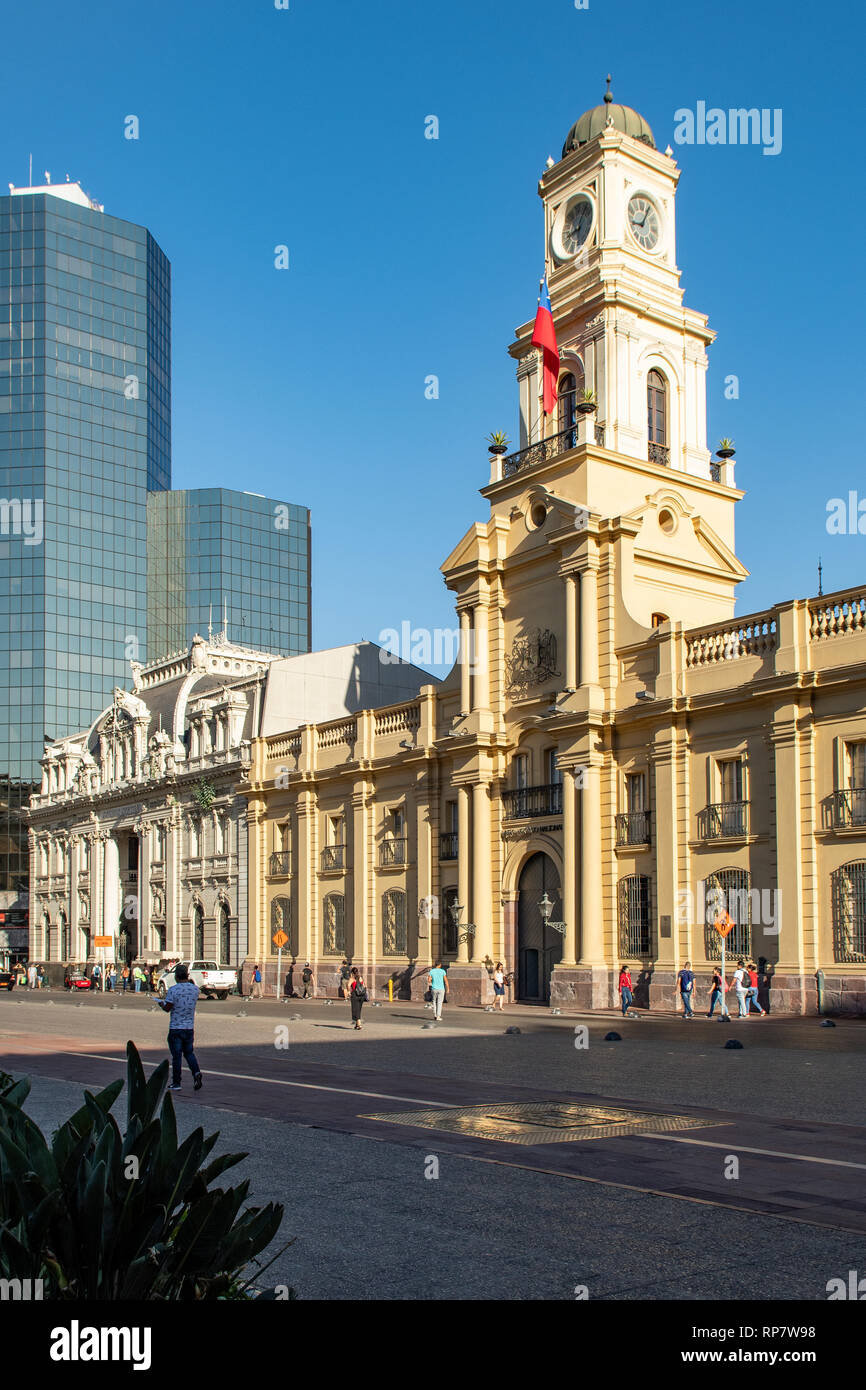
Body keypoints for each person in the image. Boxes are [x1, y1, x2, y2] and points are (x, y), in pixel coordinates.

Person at [158, 962, 203, 1093]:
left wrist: (161, 1004)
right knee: (189, 1053)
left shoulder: (173, 990)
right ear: (187, 975)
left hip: (176, 1028)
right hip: (189, 1027)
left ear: (176, 976)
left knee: (177, 1056)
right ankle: (196, 1072)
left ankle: (176, 1082)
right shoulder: (195, 990)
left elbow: (168, 1008)